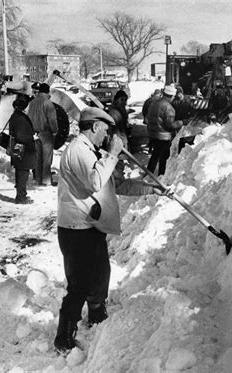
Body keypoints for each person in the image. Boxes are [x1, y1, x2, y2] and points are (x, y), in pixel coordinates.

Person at [54, 107, 167, 354]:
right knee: (79, 283)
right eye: (105, 130)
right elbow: (95, 181)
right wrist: (113, 154)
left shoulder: (94, 152)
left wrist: (151, 189)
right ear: (94, 127)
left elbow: (117, 184)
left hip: (92, 227)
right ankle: (63, 336)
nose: (107, 136)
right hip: (76, 228)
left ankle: (96, 313)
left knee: (101, 274)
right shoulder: (78, 151)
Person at [146, 84, 184, 176]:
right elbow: (170, 125)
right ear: (171, 96)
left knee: (155, 155)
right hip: (163, 136)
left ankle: (148, 174)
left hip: (153, 133)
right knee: (164, 158)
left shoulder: (154, 103)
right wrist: (182, 122)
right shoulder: (168, 108)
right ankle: (161, 176)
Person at [27, 82, 58, 186]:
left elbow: (29, 118)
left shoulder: (32, 103)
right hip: (45, 133)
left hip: (34, 133)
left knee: (38, 158)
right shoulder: (48, 103)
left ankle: (38, 179)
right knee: (47, 158)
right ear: (48, 91)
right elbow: (52, 119)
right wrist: (54, 130)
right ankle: (46, 180)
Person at [8, 95, 36, 204]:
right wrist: (32, 137)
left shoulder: (16, 115)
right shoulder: (20, 118)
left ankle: (21, 195)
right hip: (23, 150)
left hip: (19, 149)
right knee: (22, 173)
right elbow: (21, 136)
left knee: (21, 172)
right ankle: (21, 198)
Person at [142, 89, 162, 153]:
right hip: (157, 120)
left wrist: (145, 117)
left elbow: (144, 110)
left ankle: (150, 148)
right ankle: (155, 149)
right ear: (159, 94)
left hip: (149, 120)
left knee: (151, 135)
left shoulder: (148, 100)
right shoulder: (160, 101)